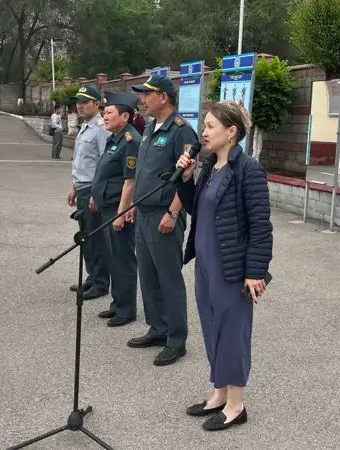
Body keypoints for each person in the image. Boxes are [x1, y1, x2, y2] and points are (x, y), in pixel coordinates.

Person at [174, 100, 273, 431]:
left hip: (231, 267)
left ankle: (236, 404)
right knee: (211, 326)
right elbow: (198, 209)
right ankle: (219, 393)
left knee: (232, 332)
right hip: (205, 264)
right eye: (204, 125)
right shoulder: (209, 166)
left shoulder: (248, 170)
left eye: (210, 126)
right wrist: (185, 179)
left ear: (231, 132)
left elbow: (261, 226)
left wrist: (255, 271)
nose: (203, 132)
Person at [126, 73, 199, 366]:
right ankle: (158, 328)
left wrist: (173, 212)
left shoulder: (181, 131)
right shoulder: (149, 128)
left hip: (164, 214)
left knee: (168, 278)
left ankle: (176, 339)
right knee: (148, 275)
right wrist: (134, 204)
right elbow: (144, 172)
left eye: (147, 94)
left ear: (163, 97)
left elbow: (186, 175)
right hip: (144, 212)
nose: (142, 99)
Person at [91, 90, 141, 327]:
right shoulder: (115, 138)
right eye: (104, 112)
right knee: (114, 257)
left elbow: (130, 181)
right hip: (108, 207)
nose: (105, 116)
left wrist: (121, 213)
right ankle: (117, 302)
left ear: (125, 116)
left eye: (109, 112)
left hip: (117, 210)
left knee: (123, 259)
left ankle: (126, 309)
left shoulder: (131, 141)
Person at [67, 85, 111, 300]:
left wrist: (96, 192)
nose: (80, 106)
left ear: (97, 103)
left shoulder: (101, 128)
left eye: (85, 102)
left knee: (96, 239)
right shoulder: (85, 126)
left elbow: (105, 162)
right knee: (86, 237)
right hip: (82, 188)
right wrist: (74, 187)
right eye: (78, 102)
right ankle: (92, 277)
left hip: (93, 190)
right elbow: (81, 161)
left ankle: (100, 282)